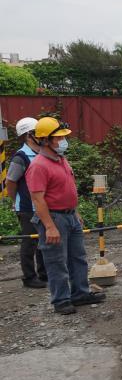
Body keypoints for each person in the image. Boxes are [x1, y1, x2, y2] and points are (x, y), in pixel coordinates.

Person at [26, 117, 106, 315]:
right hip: (54, 218)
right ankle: (61, 300)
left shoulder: (61, 159)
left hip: (69, 216)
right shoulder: (38, 166)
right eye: (59, 137)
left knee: (78, 257)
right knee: (56, 261)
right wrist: (49, 226)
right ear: (45, 140)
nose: (63, 141)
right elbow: (37, 200)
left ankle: (80, 293)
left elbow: (67, 189)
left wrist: (75, 212)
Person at [6, 117, 48, 288]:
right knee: (30, 242)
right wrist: (16, 201)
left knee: (43, 241)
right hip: (27, 208)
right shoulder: (21, 157)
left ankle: (44, 274)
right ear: (29, 135)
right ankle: (29, 277)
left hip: (42, 206)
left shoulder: (43, 153)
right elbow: (10, 182)